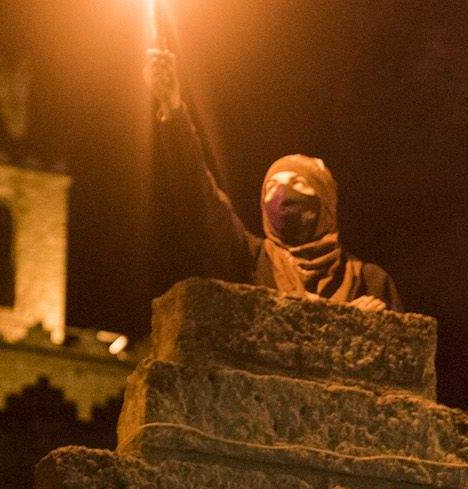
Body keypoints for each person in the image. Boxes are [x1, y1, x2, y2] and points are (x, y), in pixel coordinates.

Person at [146, 38, 401, 308]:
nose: (281, 193)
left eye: (297, 182)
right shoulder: (249, 262)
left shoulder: (371, 281)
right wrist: (173, 113)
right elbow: (199, 201)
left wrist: (375, 324)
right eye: (270, 188)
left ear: (326, 201)